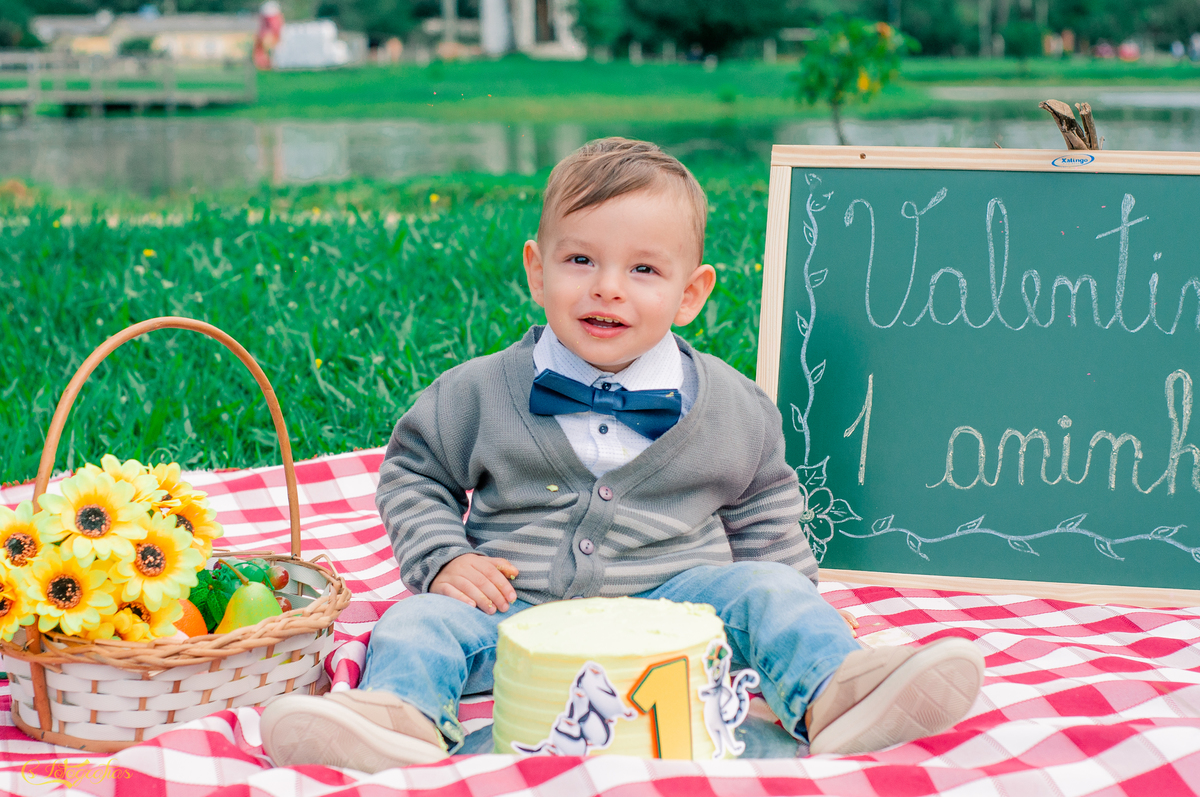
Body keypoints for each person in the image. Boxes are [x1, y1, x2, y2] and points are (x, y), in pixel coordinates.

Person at [261, 138, 985, 772]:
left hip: (683, 612)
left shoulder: (732, 405)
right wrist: (444, 559)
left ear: (690, 294)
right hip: (514, 610)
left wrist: (799, 608)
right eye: (580, 259)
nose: (607, 286)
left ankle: (836, 692)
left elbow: (766, 506)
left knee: (771, 594)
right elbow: (414, 472)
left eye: (643, 270)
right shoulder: (477, 392)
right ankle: (399, 719)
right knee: (414, 623)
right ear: (537, 270)